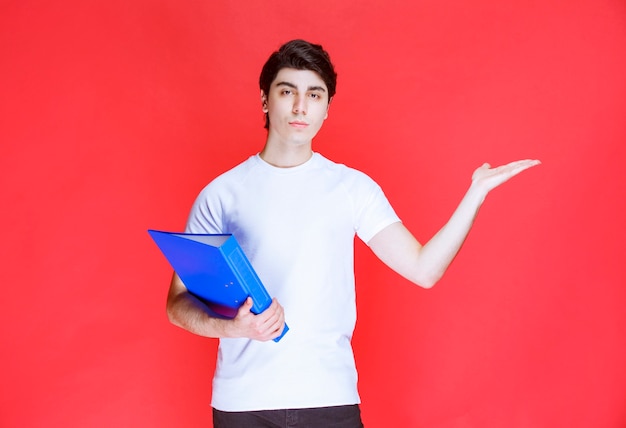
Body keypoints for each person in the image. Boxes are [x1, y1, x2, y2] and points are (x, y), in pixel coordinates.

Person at [166, 39, 540, 428]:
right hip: (243, 404)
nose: (300, 107)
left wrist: (475, 194)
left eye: (314, 94)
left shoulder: (351, 188)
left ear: (326, 108)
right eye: (286, 91)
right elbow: (178, 303)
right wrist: (233, 328)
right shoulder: (221, 194)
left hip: (330, 399)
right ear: (265, 100)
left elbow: (424, 269)